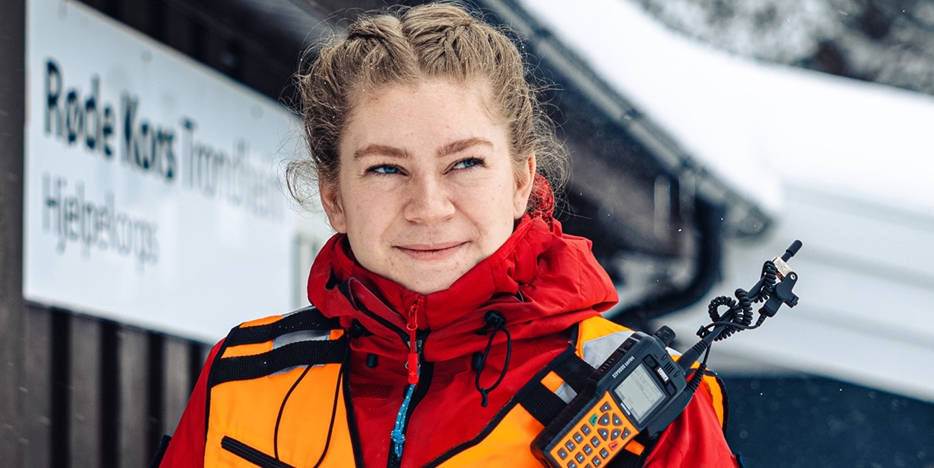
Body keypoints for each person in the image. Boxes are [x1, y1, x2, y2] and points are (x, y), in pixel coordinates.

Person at [155, 3, 738, 467]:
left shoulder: (646, 416)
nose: (429, 208)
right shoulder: (246, 378)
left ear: (519, 181)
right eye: (386, 168)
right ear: (334, 198)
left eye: (464, 164)